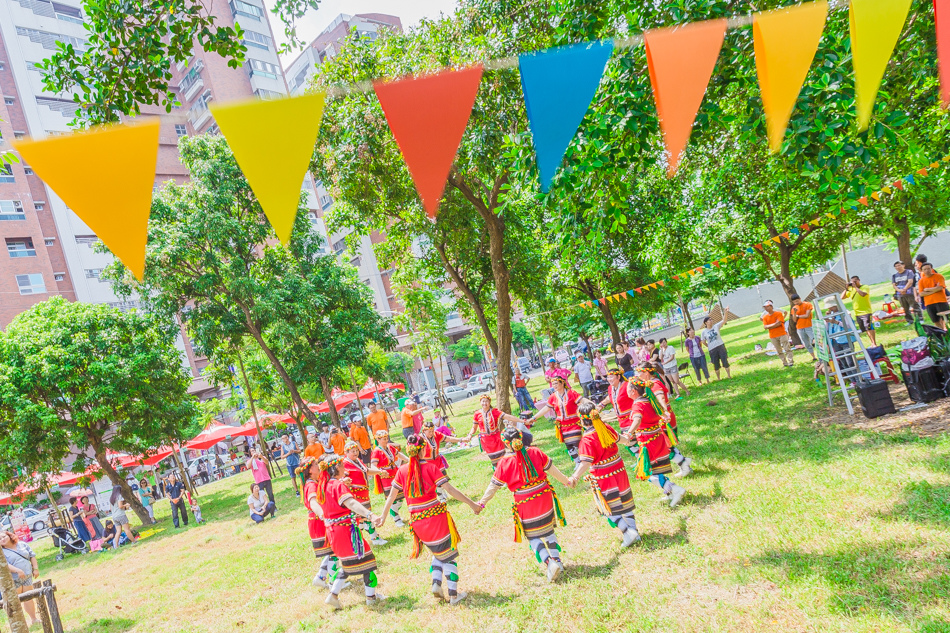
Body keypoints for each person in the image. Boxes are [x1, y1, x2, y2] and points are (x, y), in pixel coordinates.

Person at [376, 434, 481, 605]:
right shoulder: (431, 468)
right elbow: (449, 489)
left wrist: (383, 516)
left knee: (437, 553)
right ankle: (454, 595)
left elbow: (392, 497)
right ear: (423, 448)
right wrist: (472, 504)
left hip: (417, 521)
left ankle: (436, 583)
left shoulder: (402, 471)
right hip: (435, 517)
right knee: (448, 555)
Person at [477, 428, 571, 581]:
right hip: (543, 496)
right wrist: (567, 481)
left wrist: (481, 503)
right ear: (521, 437)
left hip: (525, 502)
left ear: (506, 444)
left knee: (532, 536)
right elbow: (553, 471)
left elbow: (493, 486)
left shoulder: (504, 462)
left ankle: (549, 562)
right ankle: (558, 561)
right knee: (548, 531)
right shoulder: (535, 452)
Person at [314, 454, 385, 609]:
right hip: (346, 532)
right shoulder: (337, 485)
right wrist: (370, 514)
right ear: (337, 467)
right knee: (368, 562)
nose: (344, 466)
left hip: (334, 533)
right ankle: (371, 598)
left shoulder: (324, 485)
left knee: (347, 564)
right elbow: (351, 502)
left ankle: (333, 595)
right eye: (342, 464)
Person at [566, 403, 642, 546]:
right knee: (624, 502)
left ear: (582, 420)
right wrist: (629, 435)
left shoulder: (587, 439)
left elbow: (585, 462)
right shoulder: (605, 428)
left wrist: (574, 477)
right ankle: (634, 532)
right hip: (619, 469)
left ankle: (628, 532)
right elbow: (625, 441)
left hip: (603, 476)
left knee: (608, 506)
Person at [622, 379, 687, 507]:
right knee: (657, 470)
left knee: (648, 472)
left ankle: (675, 489)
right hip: (658, 439)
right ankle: (669, 492)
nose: (626, 391)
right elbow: (661, 412)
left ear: (633, 391)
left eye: (628, 388)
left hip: (648, 443)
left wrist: (629, 433)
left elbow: (637, 419)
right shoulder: (649, 400)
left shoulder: (638, 405)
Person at [637, 362, 694, 478]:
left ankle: (684, 463)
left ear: (647, 372)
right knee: (668, 446)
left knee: (666, 447)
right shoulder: (650, 383)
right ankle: (684, 464)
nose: (638, 374)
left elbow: (660, 396)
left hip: (664, 419)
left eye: (640, 372)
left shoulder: (654, 384)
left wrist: (664, 410)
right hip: (664, 418)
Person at [298, 456, 342, 589]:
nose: (319, 466)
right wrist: (323, 514)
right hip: (319, 521)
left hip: (317, 521)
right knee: (333, 551)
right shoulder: (311, 485)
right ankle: (334, 581)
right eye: (316, 465)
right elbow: (313, 502)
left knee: (330, 551)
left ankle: (321, 577)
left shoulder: (313, 482)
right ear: (310, 470)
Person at [527, 376, 583, 463]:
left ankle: (585, 459)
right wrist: (534, 418)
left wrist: (594, 407)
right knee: (569, 445)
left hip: (575, 424)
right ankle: (577, 462)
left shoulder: (571, 393)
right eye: (553, 384)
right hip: (563, 426)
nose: (554, 385)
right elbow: (546, 408)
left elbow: (582, 402)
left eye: (556, 383)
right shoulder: (553, 396)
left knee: (577, 442)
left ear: (562, 383)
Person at [343, 441, 388, 546]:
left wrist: (379, 472)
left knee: (361, 518)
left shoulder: (358, 460)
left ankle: (357, 540)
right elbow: (341, 476)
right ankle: (375, 538)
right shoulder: (345, 463)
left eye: (356, 450)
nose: (355, 453)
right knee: (367, 516)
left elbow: (366, 470)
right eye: (352, 451)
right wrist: (344, 480)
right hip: (355, 495)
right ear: (346, 452)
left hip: (364, 493)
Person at [466, 395, 524, 468]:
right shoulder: (477, 414)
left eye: (486, 401)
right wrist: (470, 435)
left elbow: (508, 417)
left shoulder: (495, 411)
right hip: (486, 441)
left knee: (502, 457)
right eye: (483, 401)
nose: (484, 403)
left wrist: (522, 421)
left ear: (490, 402)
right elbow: (474, 428)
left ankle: (507, 471)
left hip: (496, 439)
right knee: (493, 459)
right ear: (480, 402)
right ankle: (499, 474)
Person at [371, 430, 409, 527]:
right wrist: (380, 472)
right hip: (386, 477)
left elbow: (399, 455)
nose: (386, 440)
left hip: (396, 474)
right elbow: (373, 465)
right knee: (393, 499)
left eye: (387, 438)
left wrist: (409, 460)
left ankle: (393, 512)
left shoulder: (390, 447)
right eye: (384, 439)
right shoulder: (376, 451)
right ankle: (396, 519)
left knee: (401, 497)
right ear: (378, 440)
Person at [1, 530, 39, 626]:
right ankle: (18, 624)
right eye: (0, 539)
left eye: (4, 536)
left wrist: (35, 568)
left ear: (9, 536)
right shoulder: (2, 552)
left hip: (27, 576)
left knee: (28, 598)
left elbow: (32, 556)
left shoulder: (22, 544)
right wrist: (17, 570)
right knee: (15, 602)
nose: (2, 539)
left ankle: (33, 619)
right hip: (13, 579)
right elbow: (6, 565)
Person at [842, 275, 877, 346]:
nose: (854, 283)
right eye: (852, 282)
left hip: (866, 311)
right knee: (865, 329)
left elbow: (863, 294)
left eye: (855, 281)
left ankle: (874, 343)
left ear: (859, 280)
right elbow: (842, 297)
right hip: (857, 312)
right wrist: (846, 288)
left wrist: (855, 287)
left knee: (869, 327)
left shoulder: (865, 287)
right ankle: (872, 342)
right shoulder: (851, 289)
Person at [700, 311, 732, 380]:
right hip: (712, 349)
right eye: (709, 320)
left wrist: (726, 312)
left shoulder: (716, 326)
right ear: (706, 323)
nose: (711, 321)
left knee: (725, 361)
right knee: (716, 364)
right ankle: (718, 378)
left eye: (711, 320)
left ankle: (729, 375)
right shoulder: (704, 332)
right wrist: (708, 346)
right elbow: (703, 341)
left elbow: (724, 320)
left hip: (720, 346)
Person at [761, 300, 793, 367]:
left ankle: (791, 361)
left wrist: (770, 326)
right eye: (765, 307)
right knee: (779, 350)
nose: (766, 309)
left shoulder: (778, 313)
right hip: (773, 335)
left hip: (782, 333)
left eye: (767, 307)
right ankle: (784, 362)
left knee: (787, 348)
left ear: (771, 306)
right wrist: (774, 324)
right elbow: (765, 326)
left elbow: (779, 323)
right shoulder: (765, 317)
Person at [918, 262, 948, 329]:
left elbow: (940, 287)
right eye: (925, 269)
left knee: (945, 320)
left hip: (941, 301)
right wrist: (935, 290)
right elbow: (921, 293)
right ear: (922, 270)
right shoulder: (921, 281)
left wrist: (927, 289)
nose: (927, 271)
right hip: (929, 303)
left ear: (932, 269)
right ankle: (941, 334)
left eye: (928, 269)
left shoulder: (939, 276)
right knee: (936, 321)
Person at [892, 260, 921, 325]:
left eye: (899, 265)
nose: (898, 267)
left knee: (915, 306)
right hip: (900, 294)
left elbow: (910, 281)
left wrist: (905, 289)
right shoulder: (895, 275)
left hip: (909, 292)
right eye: (896, 266)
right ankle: (909, 320)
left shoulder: (909, 272)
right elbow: (894, 285)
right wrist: (899, 290)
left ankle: (920, 319)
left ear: (903, 265)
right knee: (905, 308)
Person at [789, 294, 817, 362]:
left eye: (797, 300)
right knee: (806, 343)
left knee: (815, 340)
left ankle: (821, 354)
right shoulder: (794, 308)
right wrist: (795, 313)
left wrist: (798, 316)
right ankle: (813, 356)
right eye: (795, 302)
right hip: (800, 327)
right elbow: (794, 320)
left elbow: (807, 315)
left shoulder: (807, 304)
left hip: (809, 325)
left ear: (800, 298)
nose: (796, 302)